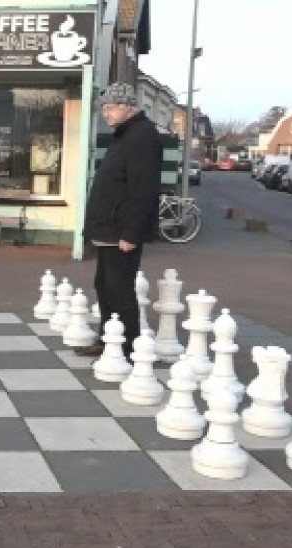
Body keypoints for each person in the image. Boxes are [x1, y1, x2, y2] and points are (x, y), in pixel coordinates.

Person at [76, 82, 162, 359]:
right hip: (109, 229)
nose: (106, 113)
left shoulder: (142, 136)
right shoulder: (125, 134)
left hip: (121, 231)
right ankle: (109, 338)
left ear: (128, 107)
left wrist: (131, 233)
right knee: (104, 285)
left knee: (119, 288)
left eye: (111, 108)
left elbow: (143, 189)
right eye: (103, 108)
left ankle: (126, 346)